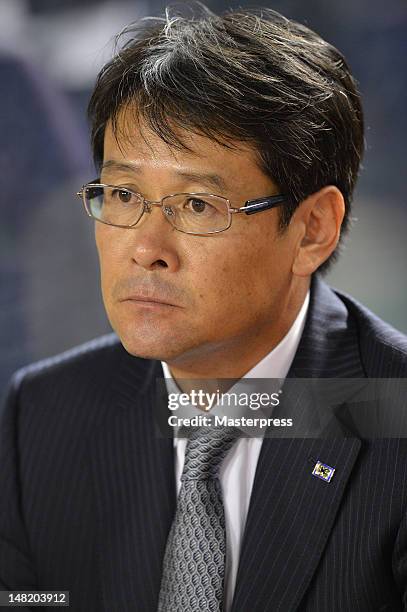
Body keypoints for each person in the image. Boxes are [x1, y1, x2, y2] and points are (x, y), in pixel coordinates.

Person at [1, 4, 406, 611]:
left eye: (196, 205)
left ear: (313, 228)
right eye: (122, 194)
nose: (144, 249)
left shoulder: (392, 415)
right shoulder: (45, 411)